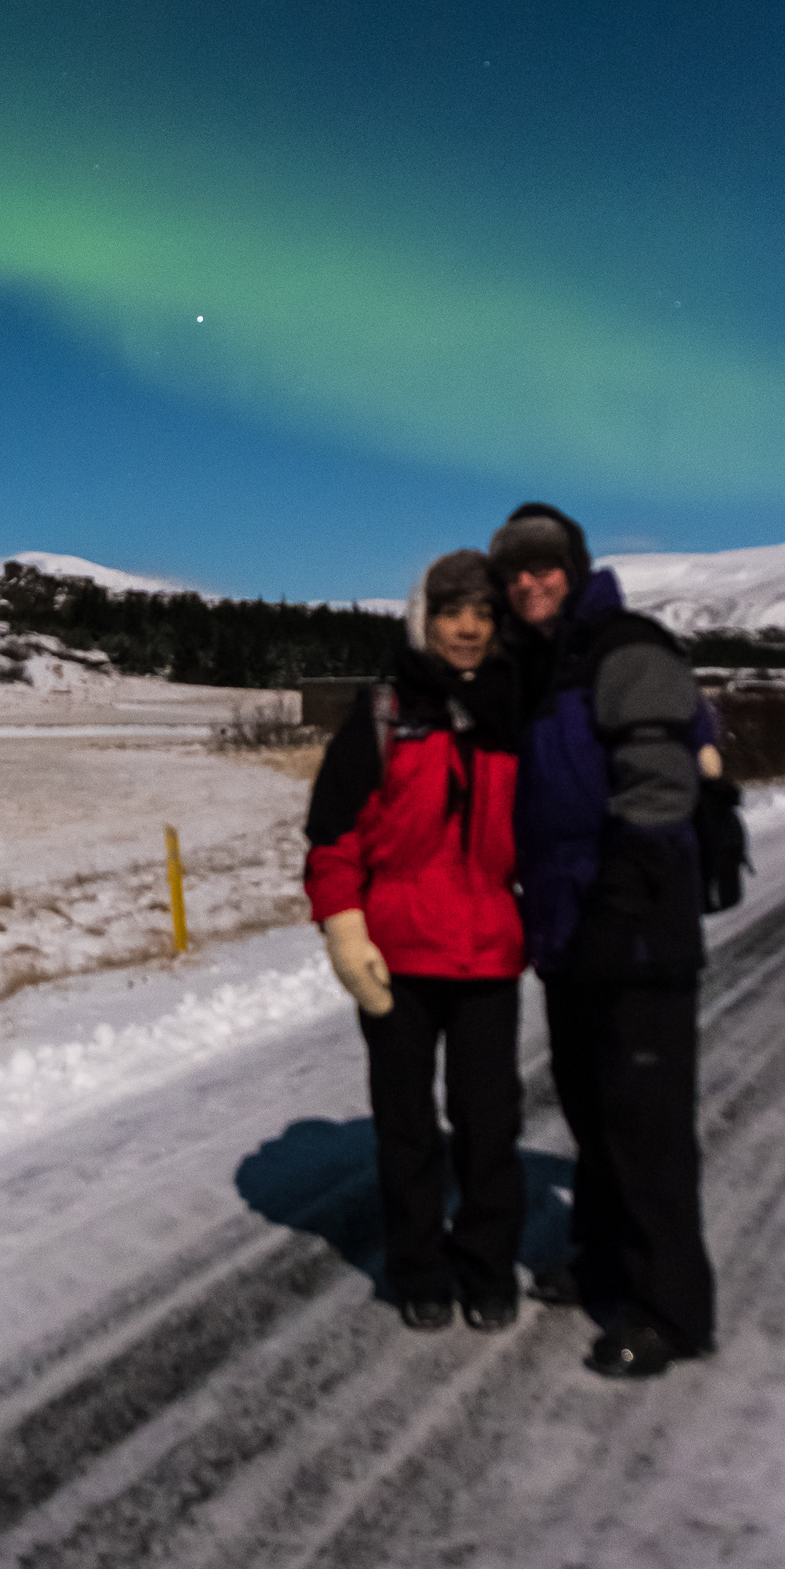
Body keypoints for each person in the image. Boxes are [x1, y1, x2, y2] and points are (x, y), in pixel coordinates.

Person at [488, 501, 716, 1378]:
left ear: (574, 569)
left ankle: (671, 1309)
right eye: (513, 570)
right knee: (592, 1113)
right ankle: (602, 1262)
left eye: (543, 565)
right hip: (568, 929)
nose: (527, 582)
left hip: (632, 933)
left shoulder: (626, 647)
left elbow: (656, 791)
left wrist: (616, 912)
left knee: (646, 1126)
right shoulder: (545, 664)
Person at [305, 549, 526, 1331]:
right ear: (422, 619)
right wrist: (343, 929)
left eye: (481, 614)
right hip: (394, 959)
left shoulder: (514, 715)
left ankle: (488, 1266)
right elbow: (331, 840)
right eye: (450, 612)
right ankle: (419, 1269)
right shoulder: (384, 713)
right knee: (405, 1129)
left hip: (489, 955)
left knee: (490, 1125)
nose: (466, 629)